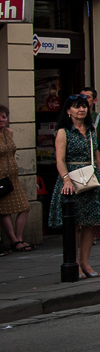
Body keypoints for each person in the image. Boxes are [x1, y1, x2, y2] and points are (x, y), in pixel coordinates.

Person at [49, 93, 100, 276]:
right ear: (68, 111)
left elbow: (96, 157)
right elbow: (59, 160)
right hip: (72, 178)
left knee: (90, 223)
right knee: (73, 223)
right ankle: (74, 263)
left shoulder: (90, 130)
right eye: (76, 106)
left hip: (90, 178)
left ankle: (85, 263)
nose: (81, 109)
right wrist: (66, 180)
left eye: (83, 106)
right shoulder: (63, 132)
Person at [0, 104, 30, 251]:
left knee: (25, 207)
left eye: (4, 117)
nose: (2, 120)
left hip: (13, 176)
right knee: (5, 210)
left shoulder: (9, 133)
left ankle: (19, 238)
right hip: (1, 177)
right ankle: (14, 241)